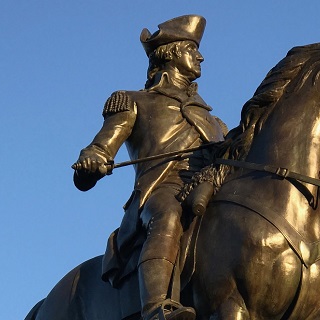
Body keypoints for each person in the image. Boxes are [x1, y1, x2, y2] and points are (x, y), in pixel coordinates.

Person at [72, 15, 226, 320]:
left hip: (210, 186)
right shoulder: (133, 101)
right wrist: (93, 161)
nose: (200, 56)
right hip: (161, 189)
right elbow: (100, 147)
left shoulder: (216, 122)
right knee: (167, 214)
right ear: (170, 53)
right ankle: (157, 307)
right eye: (191, 48)